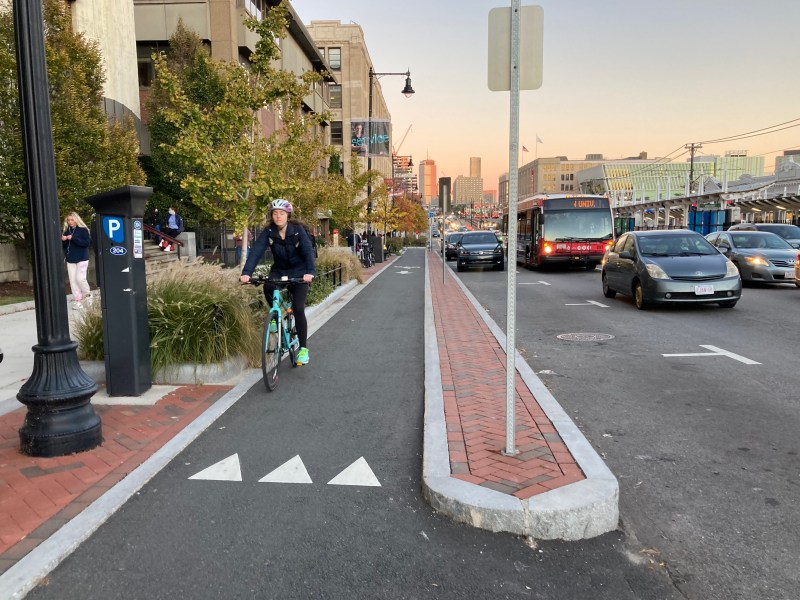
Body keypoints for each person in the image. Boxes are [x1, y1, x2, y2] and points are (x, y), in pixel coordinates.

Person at [240, 199, 316, 366]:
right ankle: (275, 318)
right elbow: (256, 252)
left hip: (300, 272)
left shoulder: (297, 231)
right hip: (280, 270)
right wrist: (247, 273)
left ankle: (303, 349)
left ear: (287, 215)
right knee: (268, 286)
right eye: (275, 214)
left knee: (297, 307)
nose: (278, 216)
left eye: (281, 213)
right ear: (272, 216)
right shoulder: (268, 232)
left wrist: (310, 272)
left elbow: (308, 252)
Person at [61, 211, 92, 310]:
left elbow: (86, 243)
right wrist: (64, 240)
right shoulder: (66, 231)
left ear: (76, 220)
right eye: (68, 220)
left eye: (72, 220)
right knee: (73, 281)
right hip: (71, 260)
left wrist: (73, 238)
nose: (70, 222)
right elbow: (64, 247)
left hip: (82, 258)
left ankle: (88, 296)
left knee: (80, 279)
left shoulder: (83, 230)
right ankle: (78, 301)